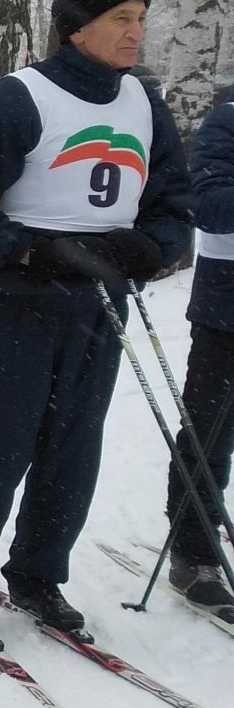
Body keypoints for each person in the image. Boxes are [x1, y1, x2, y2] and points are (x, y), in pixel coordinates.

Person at [0, 0, 191, 638]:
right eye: (122, 19)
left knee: (74, 446)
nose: (136, 32)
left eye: (141, 19)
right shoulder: (20, 98)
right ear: (79, 27)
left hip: (99, 303)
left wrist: (148, 248)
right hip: (21, 301)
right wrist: (26, 252)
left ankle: (39, 573)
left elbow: (171, 201)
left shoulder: (142, 101)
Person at [159, 97, 234, 609]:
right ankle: (194, 552)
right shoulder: (228, 118)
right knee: (209, 434)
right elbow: (205, 205)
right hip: (227, 310)